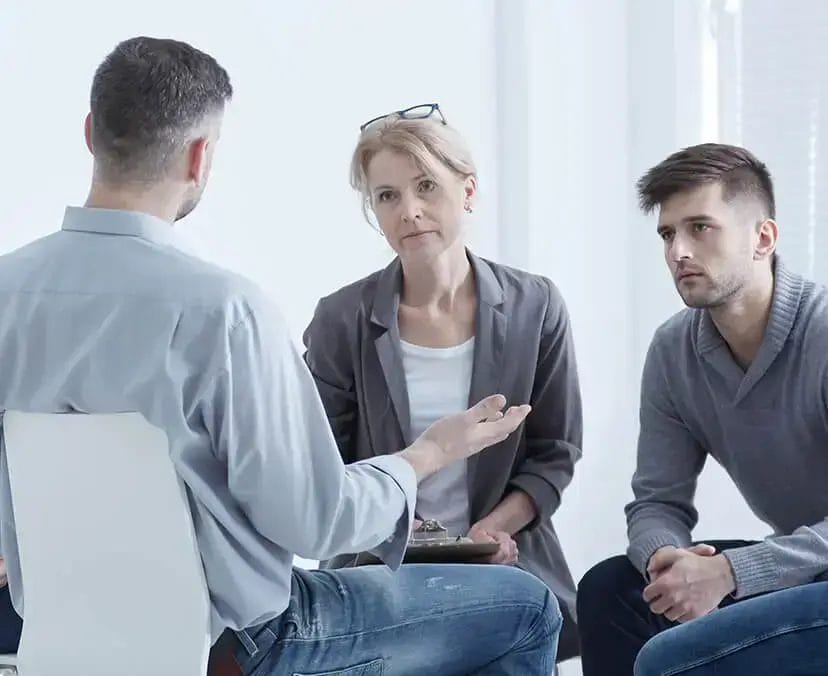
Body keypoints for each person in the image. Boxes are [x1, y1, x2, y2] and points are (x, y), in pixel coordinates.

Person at [0, 37, 563, 675]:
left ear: (89, 134)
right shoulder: (223, 311)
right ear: (199, 154)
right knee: (528, 608)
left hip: (60, 640)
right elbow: (316, 522)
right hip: (239, 647)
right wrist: (427, 454)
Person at [302, 104, 583, 662]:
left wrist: (491, 530)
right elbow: (322, 471)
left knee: (515, 616)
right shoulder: (341, 319)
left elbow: (555, 452)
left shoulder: (536, 306)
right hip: (379, 566)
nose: (409, 211)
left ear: (468, 191)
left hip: (505, 561)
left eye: (426, 186)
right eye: (387, 196)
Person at [576, 142, 828, 675]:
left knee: (671, 656)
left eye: (700, 227)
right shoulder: (673, 351)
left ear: (763, 237)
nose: (678, 251)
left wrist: (735, 572)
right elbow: (655, 502)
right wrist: (666, 562)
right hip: (807, 567)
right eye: (668, 233)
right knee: (611, 591)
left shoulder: (823, 333)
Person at [633, 581, 828, 675]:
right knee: (618, 588)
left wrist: (728, 570)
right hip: (806, 559)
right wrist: (664, 560)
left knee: (664, 660)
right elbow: (657, 503)